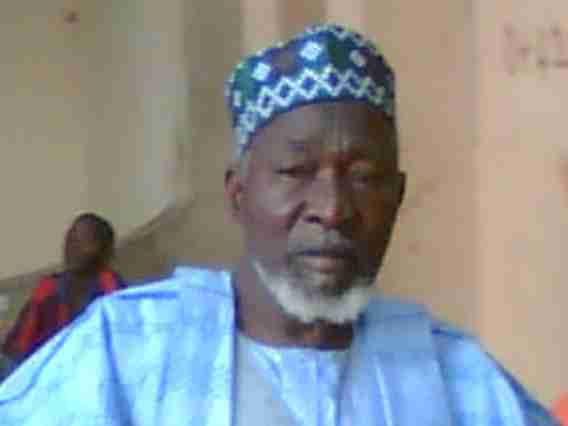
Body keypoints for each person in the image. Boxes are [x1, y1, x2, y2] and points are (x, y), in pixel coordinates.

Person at [0, 24, 558, 425]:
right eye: (295, 171)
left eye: (364, 177)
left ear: (398, 196)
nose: (333, 209)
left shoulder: (459, 380)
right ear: (238, 193)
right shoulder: (126, 351)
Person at [1, 213, 126, 374]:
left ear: (104, 250)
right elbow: (18, 347)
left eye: (85, 240)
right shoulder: (48, 288)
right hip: (47, 375)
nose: (72, 247)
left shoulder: (112, 288)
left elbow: (123, 342)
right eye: (70, 238)